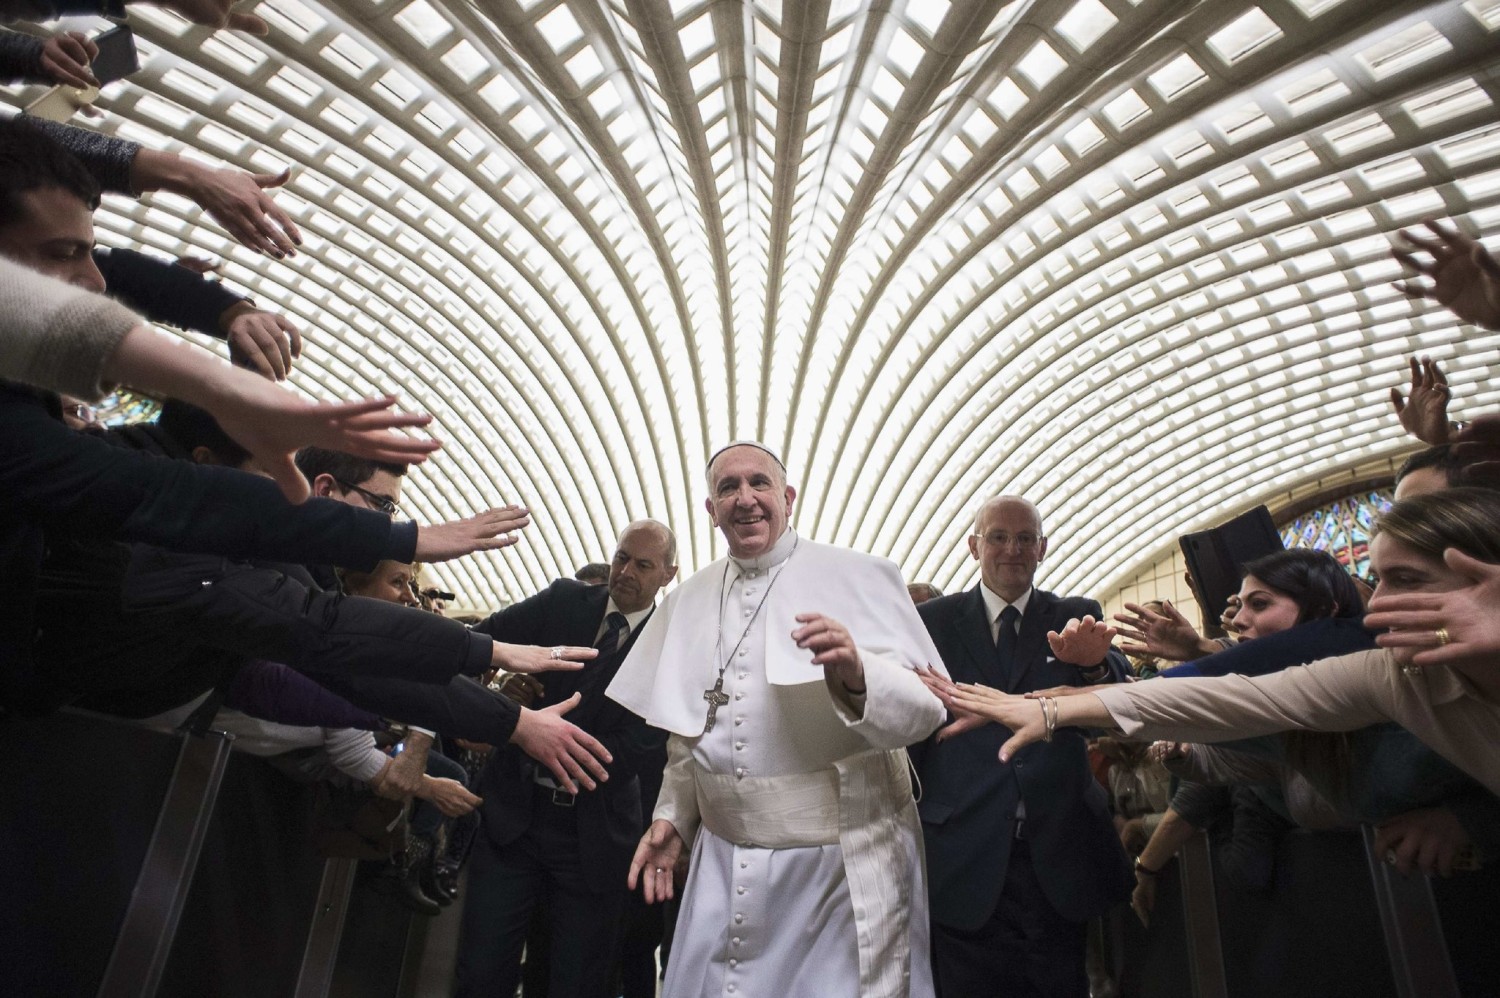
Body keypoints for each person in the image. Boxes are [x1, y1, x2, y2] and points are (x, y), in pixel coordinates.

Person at [608, 442, 946, 998]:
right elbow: (688, 736)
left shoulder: (860, 576)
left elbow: (925, 711)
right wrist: (673, 820)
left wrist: (859, 674)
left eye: (759, 484)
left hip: (836, 871)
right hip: (722, 864)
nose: (745, 499)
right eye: (728, 488)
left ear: (788, 498)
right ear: (711, 510)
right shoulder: (685, 601)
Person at [935, 488, 1500, 798]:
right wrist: (1058, 708)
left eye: (1404, 581)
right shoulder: (1390, 678)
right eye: (1377, 582)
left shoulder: (1363, 653)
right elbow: (1236, 699)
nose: (1377, 606)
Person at [909, 495, 1132, 998]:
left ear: (1043, 549)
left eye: (1025, 538)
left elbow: (1120, 688)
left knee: (1060, 982)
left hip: (1058, 850)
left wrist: (1095, 666)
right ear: (974, 546)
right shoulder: (934, 622)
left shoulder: (1075, 616)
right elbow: (909, 722)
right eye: (999, 537)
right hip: (964, 850)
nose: (1013, 549)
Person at [455, 521, 677, 998]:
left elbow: (644, 747)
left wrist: (539, 734)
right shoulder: (563, 601)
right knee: (479, 972)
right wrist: (497, 700)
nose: (626, 572)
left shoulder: (674, 647)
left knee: (572, 982)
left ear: (668, 574)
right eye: (621, 558)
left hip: (592, 840)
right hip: (514, 821)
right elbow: (483, 639)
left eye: (643, 565)